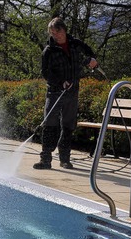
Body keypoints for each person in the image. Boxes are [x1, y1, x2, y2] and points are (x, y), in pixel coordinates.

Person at [34, 17, 98, 170]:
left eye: (58, 31)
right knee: (50, 124)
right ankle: (46, 160)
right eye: (53, 33)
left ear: (64, 30)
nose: (56, 35)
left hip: (72, 93)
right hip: (54, 92)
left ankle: (65, 159)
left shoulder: (76, 44)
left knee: (68, 126)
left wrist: (92, 60)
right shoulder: (48, 51)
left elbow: (90, 53)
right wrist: (61, 82)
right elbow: (45, 73)